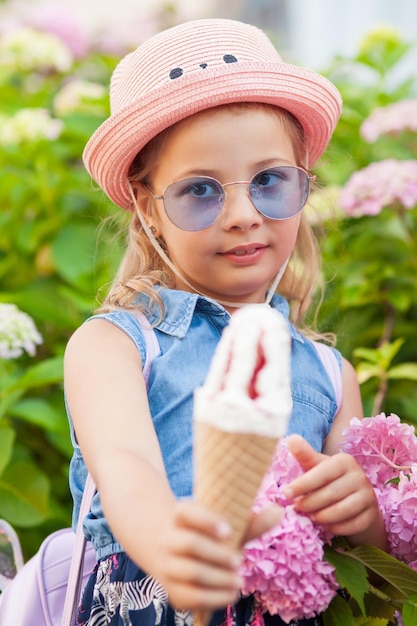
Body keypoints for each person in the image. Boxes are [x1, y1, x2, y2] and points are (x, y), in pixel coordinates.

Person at [64, 18, 388, 626]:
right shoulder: (115, 346)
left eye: (269, 181)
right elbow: (127, 468)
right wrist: (171, 548)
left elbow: (365, 559)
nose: (242, 215)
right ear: (146, 207)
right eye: (200, 191)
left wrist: (361, 513)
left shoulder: (329, 371)